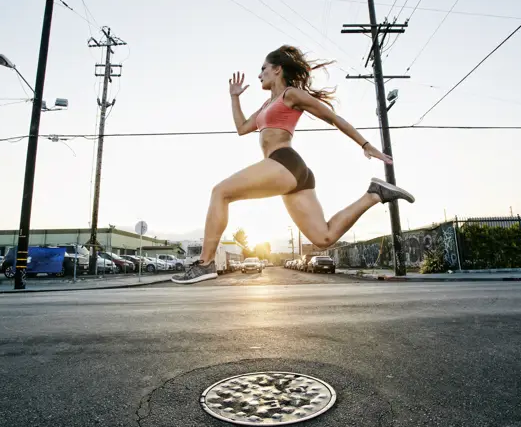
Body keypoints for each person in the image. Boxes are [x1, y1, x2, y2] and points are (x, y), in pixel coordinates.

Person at [172, 45, 414, 284]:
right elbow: (241, 128)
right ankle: (374, 194)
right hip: (293, 174)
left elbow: (332, 117)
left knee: (220, 192)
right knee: (324, 237)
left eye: (263, 68)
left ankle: (205, 263)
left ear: (277, 69)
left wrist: (365, 144)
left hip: (284, 161)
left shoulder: (291, 95)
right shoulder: (266, 105)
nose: (259, 75)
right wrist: (234, 97)